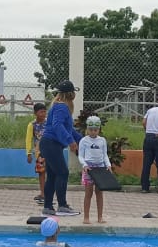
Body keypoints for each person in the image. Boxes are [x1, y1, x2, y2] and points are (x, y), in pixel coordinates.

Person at [40, 80, 82, 216]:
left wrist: (82, 140)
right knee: (63, 173)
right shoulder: (61, 107)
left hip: (49, 144)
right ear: (70, 94)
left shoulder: (59, 106)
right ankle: (62, 206)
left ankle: (48, 207)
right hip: (51, 143)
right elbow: (58, 125)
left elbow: (69, 129)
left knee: (53, 175)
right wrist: (70, 141)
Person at [78, 115, 111, 225]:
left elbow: (105, 155)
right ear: (87, 129)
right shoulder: (84, 141)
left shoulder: (102, 140)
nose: (93, 132)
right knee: (88, 193)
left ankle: (100, 217)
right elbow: (80, 156)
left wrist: (108, 165)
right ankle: (86, 217)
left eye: (95, 130)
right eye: (91, 130)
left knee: (99, 193)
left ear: (99, 129)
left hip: (100, 168)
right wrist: (84, 165)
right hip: (89, 169)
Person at [25, 102, 48, 204]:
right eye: (41, 112)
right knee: (41, 173)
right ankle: (42, 193)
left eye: (44, 112)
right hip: (40, 153)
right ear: (35, 113)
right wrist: (29, 153)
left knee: (50, 173)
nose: (43, 114)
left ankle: (48, 193)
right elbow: (28, 139)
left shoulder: (49, 123)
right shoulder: (32, 125)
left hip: (50, 152)